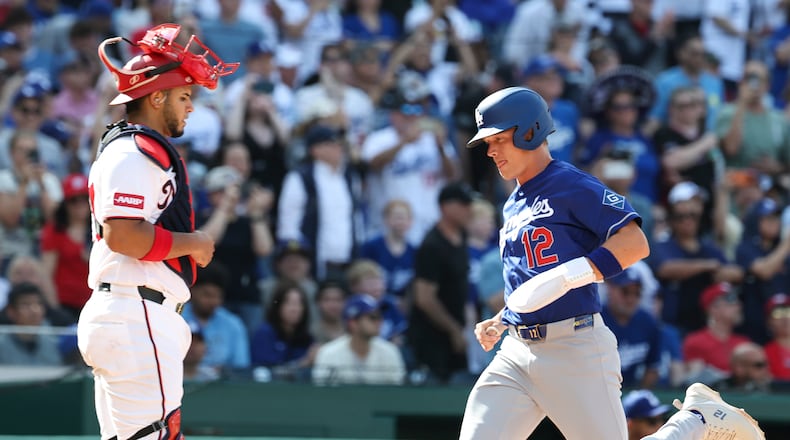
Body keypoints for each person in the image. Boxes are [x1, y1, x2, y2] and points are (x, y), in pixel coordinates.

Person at [458, 86, 650, 439]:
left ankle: (693, 423)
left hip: (574, 348)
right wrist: (503, 319)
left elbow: (635, 242)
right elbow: (532, 281)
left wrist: (572, 274)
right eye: (488, 142)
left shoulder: (571, 184)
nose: (491, 150)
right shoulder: (513, 202)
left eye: (499, 138)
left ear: (530, 131)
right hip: (516, 351)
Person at [76, 24, 234, 440]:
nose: (190, 107)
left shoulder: (135, 148)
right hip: (136, 311)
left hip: (129, 312)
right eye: (184, 96)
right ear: (157, 96)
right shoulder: (133, 151)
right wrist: (194, 244)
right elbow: (123, 236)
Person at [408, 181, 474, 383]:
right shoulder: (432, 245)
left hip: (456, 333)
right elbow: (424, 298)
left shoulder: (461, 236)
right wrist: (453, 329)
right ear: (446, 207)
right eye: (463, 204)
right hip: (432, 337)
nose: (469, 209)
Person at [312, 294, 406, 385]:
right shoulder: (329, 353)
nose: (379, 322)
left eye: (380, 317)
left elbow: (397, 393)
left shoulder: (390, 352)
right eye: (372, 318)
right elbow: (323, 395)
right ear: (353, 323)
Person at [180, 262, 251, 377]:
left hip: (222, 390)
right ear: (192, 291)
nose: (213, 301)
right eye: (207, 295)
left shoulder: (233, 324)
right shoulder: (177, 317)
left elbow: (240, 368)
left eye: (218, 296)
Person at [601, 267, 662, 389]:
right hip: (599, 391)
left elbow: (653, 368)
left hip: (630, 390)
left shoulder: (647, 322)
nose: (631, 299)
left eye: (637, 293)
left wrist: (637, 396)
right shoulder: (596, 321)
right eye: (625, 292)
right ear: (610, 289)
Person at [0, 282, 63, 366]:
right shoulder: (2, 346)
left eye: (39, 304)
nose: (34, 310)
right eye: (26, 304)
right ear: (11, 311)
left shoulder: (56, 345)